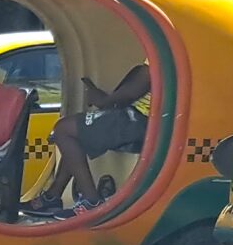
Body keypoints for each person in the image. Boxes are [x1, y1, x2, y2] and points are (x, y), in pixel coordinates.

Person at [25, 64, 151, 219]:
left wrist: (100, 98)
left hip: (138, 119)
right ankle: (52, 196)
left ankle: (91, 202)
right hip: (136, 117)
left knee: (63, 129)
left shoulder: (156, 61)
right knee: (76, 134)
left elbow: (125, 94)